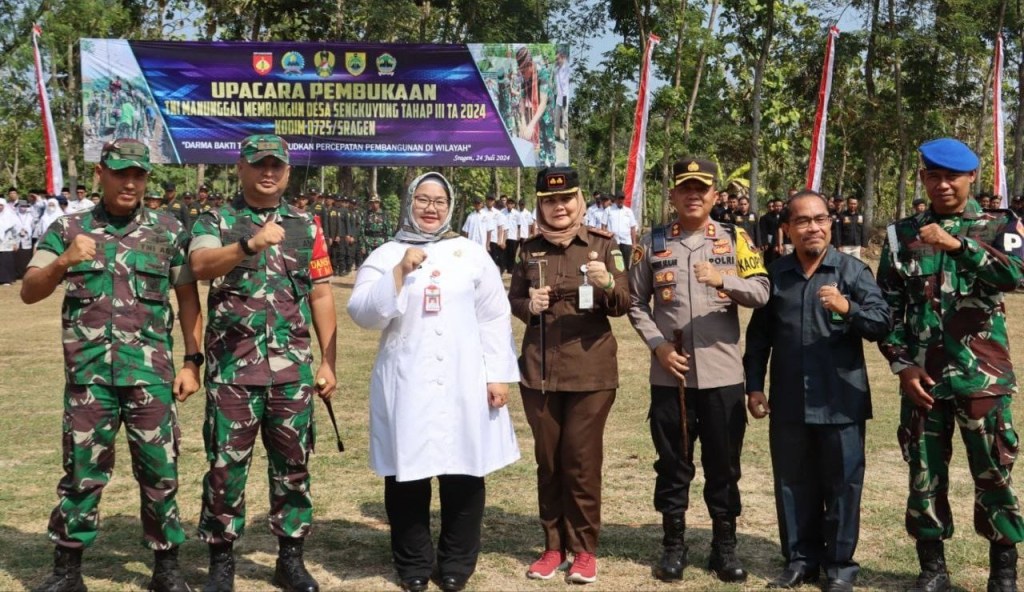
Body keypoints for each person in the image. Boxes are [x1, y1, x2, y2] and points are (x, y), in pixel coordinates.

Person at [20, 138, 201, 592]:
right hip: (89, 379)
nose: (130, 182)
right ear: (101, 173)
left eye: (139, 174)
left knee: (161, 471)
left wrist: (191, 361)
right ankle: (67, 571)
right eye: (121, 173)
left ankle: (167, 567)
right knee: (82, 473)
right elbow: (29, 289)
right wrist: (64, 260)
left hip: (151, 377)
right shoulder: (68, 227)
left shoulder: (168, 230)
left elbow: (188, 301)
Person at [347, 172, 520, 592]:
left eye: (440, 200)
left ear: (451, 205)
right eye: (423, 199)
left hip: (465, 378)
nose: (431, 207)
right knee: (407, 475)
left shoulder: (471, 253)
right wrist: (398, 274)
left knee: (465, 471)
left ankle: (457, 562)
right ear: (409, 203)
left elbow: (494, 316)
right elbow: (362, 312)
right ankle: (413, 564)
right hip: (407, 380)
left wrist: (498, 375)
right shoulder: (387, 252)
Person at [188, 134, 337, 592]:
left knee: (293, 467)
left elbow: (321, 292)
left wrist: (329, 362)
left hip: (291, 373)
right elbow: (200, 265)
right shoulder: (217, 219)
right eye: (259, 164)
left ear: (288, 172)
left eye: (277, 165)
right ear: (241, 167)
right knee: (225, 468)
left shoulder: (306, 226)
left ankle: (289, 559)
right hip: (234, 372)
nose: (267, 172)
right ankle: (221, 563)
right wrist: (248, 245)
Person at [877, 137, 1024, 592]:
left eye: (952, 177)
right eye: (933, 176)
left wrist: (959, 246)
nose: (942, 185)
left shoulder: (1000, 225)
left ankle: (1002, 572)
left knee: (994, 475)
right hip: (923, 380)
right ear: (922, 178)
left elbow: (1017, 276)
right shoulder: (902, 233)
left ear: (971, 178)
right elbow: (887, 308)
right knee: (924, 477)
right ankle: (932, 570)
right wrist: (902, 365)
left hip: (983, 378)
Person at [628, 157, 769, 583]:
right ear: (672, 195)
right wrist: (657, 348)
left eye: (701, 188)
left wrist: (724, 281)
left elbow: (762, 291)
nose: (693, 195)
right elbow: (635, 302)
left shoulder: (735, 238)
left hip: (723, 375)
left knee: (724, 466)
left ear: (714, 196)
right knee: (673, 464)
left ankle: (723, 547)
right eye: (685, 188)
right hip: (671, 377)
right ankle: (673, 545)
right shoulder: (651, 242)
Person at [744, 190, 890, 592]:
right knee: (792, 483)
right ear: (787, 228)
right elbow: (759, 340)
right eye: (804, 221)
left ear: (831, 223)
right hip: (789, 400)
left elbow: (881, 323)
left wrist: (848, 309)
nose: (814, 227)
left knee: (843, 485)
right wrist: (754, 387)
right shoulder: (775, 275)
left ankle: (840, 568)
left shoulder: (853, 272)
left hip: (840, 400)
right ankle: (800, 561)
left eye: (821, 219)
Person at [508, 167, 630, 584]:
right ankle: (552, 546)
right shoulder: (527, 249)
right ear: (539, 204)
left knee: (580, 462)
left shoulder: (603, 244)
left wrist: (606, 281)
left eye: (566, 200)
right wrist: (531, 305)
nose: (558, 207)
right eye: (549, 201)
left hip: (589, 371)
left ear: (579, 201)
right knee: (548, 463)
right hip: (539, 371)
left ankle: (583, 550)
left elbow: (622, 304)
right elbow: (515, 301)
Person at [605, 193, 638, 270]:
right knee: (613, 263)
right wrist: (604, 241)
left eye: (622, 199)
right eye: (619, 198)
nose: (621, 200)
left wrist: (634, 243)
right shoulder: (608, 210)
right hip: (613, 241)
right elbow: (603, 226)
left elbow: (633, 227)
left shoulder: (628, 211)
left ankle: (625, 280)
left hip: (626, 242)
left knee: (626, 264)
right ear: (616, 199)